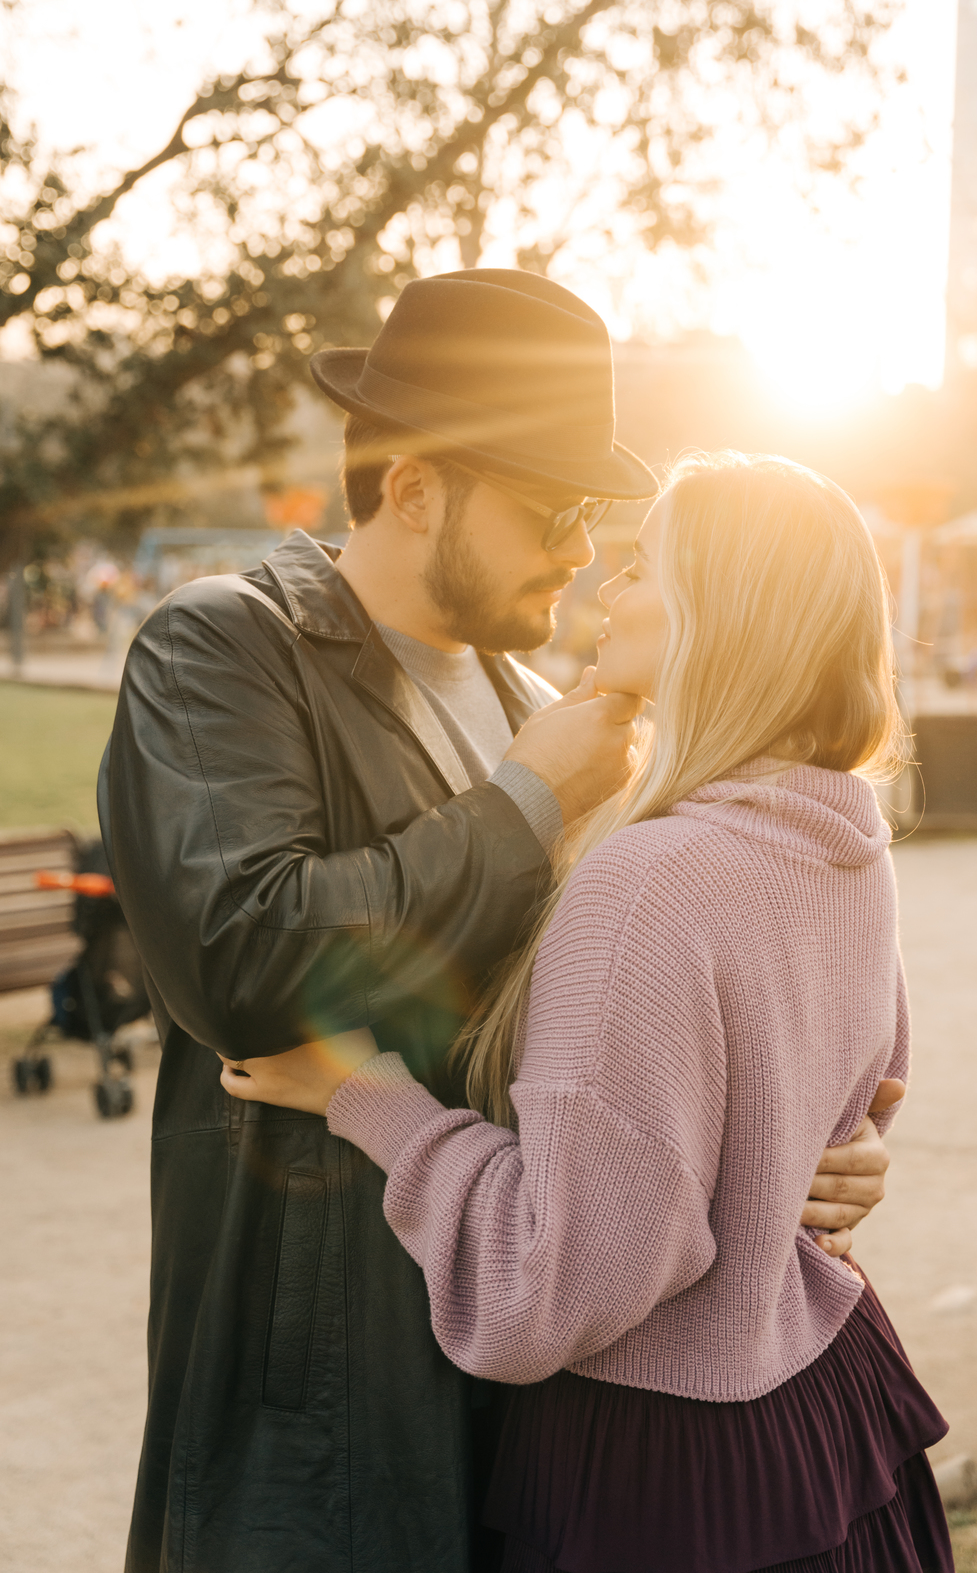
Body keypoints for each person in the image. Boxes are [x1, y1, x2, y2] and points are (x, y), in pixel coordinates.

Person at [100, 274, 894, 1573]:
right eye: (553, 511)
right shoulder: (223, 650)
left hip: (537, 1379)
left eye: (599, 519)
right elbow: (242, 960)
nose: (583, 553)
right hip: (324, 1400)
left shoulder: (550, 699)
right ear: (416, 489)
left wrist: (783, 1153)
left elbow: (634, 1040)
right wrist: (530, 806)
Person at [222, 451, 952, 1573]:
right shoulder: (846, 833)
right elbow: (851, 1100)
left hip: (668, 1469)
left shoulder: (649, 883)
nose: (604, 586)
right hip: (832, 1414)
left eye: (642, 567)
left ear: (722, 613)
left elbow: (549, 1290)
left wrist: (368, 1098)